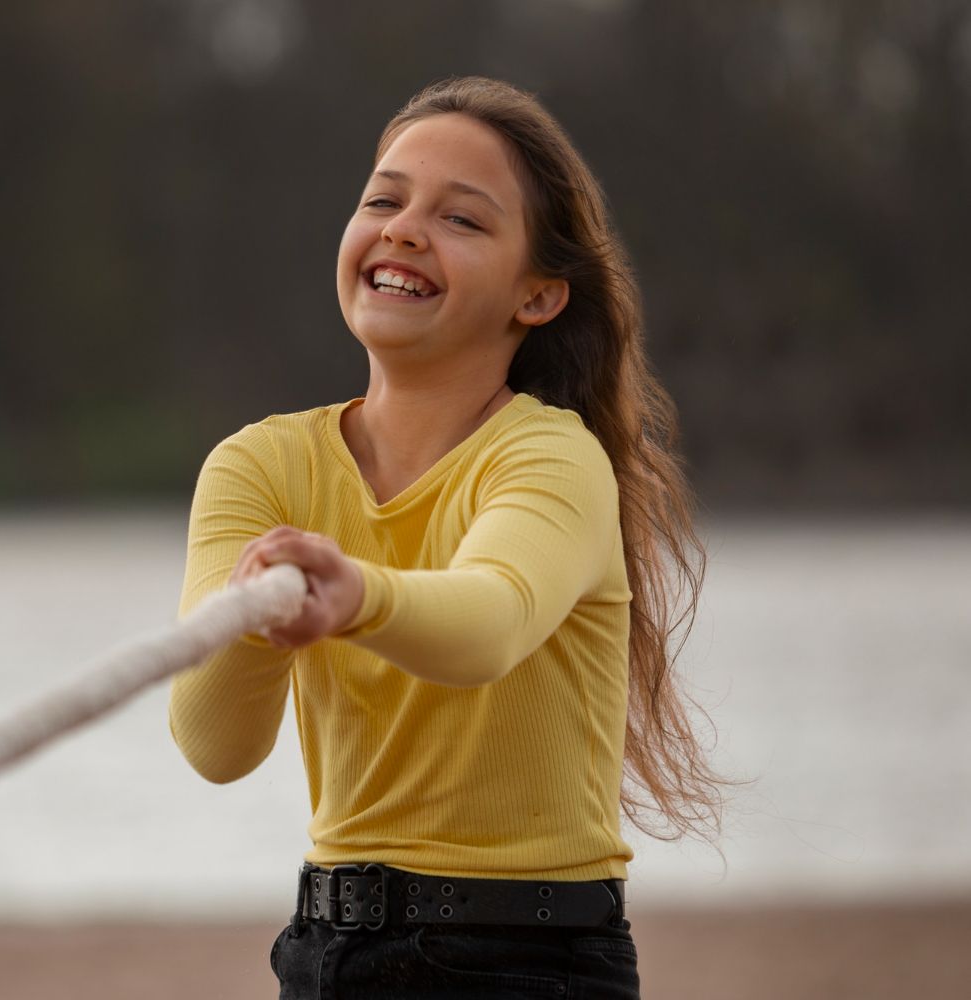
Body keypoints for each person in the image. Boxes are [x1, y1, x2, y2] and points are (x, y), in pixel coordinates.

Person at [168, 76, 729, 999]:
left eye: (462, 220)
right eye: (383, 199)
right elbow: (215, 746)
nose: (401, 228)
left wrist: (354, 594)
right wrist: (258, 625)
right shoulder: (257, 467)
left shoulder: (552, 458)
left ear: (539, 296)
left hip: (528, 963)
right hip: (325, 953)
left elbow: (488, 621)